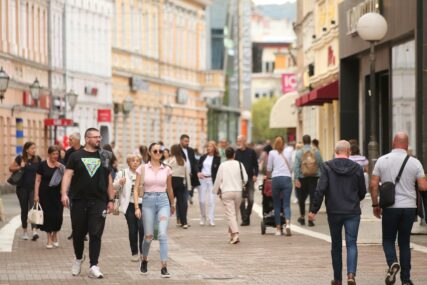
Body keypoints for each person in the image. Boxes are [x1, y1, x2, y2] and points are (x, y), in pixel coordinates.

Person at [371, 132, 427, 285]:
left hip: (390, 207)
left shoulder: (382, 160)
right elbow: (423, 186)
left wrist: (375, 204)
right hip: (409, 208)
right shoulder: (415, 162)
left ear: (393, 142)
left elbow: (373, 185)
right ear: (407, 145)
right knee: (404, 243)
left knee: (388, 240)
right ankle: (406, 280)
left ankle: (392, 263)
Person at [308, 140, 366, 285]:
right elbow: (363, 192)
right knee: (352, 243)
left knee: (336, 245)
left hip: (334, 211)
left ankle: (338, 279)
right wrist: (354, 199)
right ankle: (351, 275)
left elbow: (320, 189)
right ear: (349, 152)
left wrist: (313, 210)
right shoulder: (357, 168)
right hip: (352, 211)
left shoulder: (327, 167)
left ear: (336, 151)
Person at [61, 128, 115, 279]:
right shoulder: (75, 156)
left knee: (95, 233)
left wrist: (111, 200)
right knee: (78, 234)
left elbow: (108, 178)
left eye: (99, 137)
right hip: (78, 201)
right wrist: (64, 193)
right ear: (87, 138)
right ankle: (78, 258)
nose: (99, 139)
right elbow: (67, 175)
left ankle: (94, 265)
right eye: (96, 137)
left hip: (99, 201)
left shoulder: (104, 155)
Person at [134, 143, 175, 278]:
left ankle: (164, 266)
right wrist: (136, 207)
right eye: (155, 151)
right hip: (148, 202)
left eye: (160, 151)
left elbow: (169, 188)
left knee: (162, 234)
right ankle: (144, 259)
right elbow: (136, 189)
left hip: (163, 201)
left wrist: (172, 203)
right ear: (150, 153)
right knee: (149, 236)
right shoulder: (142, 168)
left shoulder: (167, 169)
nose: (158, 152)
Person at [212, 147, 248, 244]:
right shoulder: (239, 164)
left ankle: (235, 234)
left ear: (225, 155)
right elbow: (245, 178)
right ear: (234, 154)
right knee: (234, 214)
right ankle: (231, 235)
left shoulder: (223, 165)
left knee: (230, 214)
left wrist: (215, 190)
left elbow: (218, 179)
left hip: (227, 191)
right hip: (238, 191)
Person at [113, 154, 144, 262]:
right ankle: (134, 253)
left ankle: (143, 252)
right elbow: (114, 186)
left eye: (137, 161)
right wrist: (119, 182)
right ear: (128, 162)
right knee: (133, 229)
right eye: (132, 161)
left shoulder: (144, 173)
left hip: (142, 203)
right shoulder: (122, 173)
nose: (135, 162)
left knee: (142, 227)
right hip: (129, 204)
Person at [9, 141, 41, 241]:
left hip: (32, 188)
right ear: (26, 150)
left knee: (33, 208)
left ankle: (34, 231)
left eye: (35, 148)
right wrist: (20, 166)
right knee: (24, 210)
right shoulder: (20, 158)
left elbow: (41, 173)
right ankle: (25, 231)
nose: (34, 150)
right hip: (22, 188)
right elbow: (10, 168)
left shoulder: (37, 159)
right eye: (32, 148)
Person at [34, 145, 65, 249]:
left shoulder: (61, 166)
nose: (56, 156)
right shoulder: (42, 165)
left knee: (57, 216)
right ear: (49, 154)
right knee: (47, 216)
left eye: (57, 154)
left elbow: (66, 180)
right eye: (54, 154)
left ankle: (55, 234)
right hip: (45, 194)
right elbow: (38, 181)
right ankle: (49, 238)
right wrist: (36, 195)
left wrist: (64, 194)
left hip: (58, 194)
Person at [266, 136, 293, 236]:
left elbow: (269, 168)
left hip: (276, 179)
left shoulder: (272, 153)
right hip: (287, 178)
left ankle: (277, 229)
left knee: (277, 205)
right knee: (286, 204)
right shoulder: (289, 150)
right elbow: (291, 166)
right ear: (284, 143)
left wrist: (268, 177)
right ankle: (288, 224)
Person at [294, 134, 323, 227]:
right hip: (314, 177)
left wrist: (296, 178)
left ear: (303, 141)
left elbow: (296, 167)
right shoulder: (316, 151)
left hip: (302, 178)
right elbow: (321, 164)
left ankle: (302, 217)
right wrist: (322, 176)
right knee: (312, 197)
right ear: (310, 141)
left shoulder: (299, 152)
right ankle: (310, 219)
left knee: (301, 198)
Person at [63, 132, 83, 240]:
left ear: (77, 140)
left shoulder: (85, 150)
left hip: (84, 184)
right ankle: (74, 231)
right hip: (72, 184)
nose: (69, 141)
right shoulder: (69, 152)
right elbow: (66, 167)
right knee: (73, 208)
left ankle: (83, 232)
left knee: (84, 209)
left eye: (71, 139)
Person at [235, 135, 259, 226]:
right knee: (241, 199)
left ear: (244, 141)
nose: (239, 142)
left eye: (240, 140)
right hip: (240, 179)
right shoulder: (236, 153)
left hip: (250, 178)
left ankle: (247, 216)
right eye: (238, 141)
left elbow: (255, 165)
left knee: (251, 199)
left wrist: (255, 175)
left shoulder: (251, 152)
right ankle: (244, 219)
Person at [197, 141, 221, 226]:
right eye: (208, 146)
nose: (208, 148)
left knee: (212, 200)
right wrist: (198, 172)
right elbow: (198, 166)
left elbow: (219, 171)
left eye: (210, 146)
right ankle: (203, 217)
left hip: (212, 180)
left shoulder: (217, 158)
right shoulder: (203, 157)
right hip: (202, 180)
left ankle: (211, 219)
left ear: (214, 148)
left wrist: (219, 184)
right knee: (202, 200)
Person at [169, 144, 191, 228]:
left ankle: (162, 220)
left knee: (167, 202)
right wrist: (189, 187)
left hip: (172, 182)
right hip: (181, 183)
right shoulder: (183, 161)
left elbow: (167, 172)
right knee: (182, 204)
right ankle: (184, 223)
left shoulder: (171, 161)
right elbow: (187, 174)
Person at [179, 134, 200, 205]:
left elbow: (194, 162)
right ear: (181, 141)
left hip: (190, 175)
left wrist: (197, 172)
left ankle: (189, 196)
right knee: (181, 196)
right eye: (185, 141)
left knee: (189, 191)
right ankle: (181, 214)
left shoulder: (191, 150)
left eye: (188, 141)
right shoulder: (177, 150)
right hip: (181, 176)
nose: (187, 143)